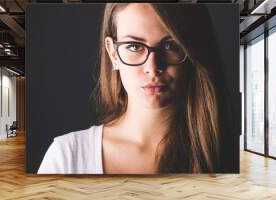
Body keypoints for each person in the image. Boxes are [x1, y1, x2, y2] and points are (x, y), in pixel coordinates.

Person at [38, 3, 230, 174]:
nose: (153, 68)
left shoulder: (223, 154)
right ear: (113, 53)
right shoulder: (66, 157)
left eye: (170, 45)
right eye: (134, 46)